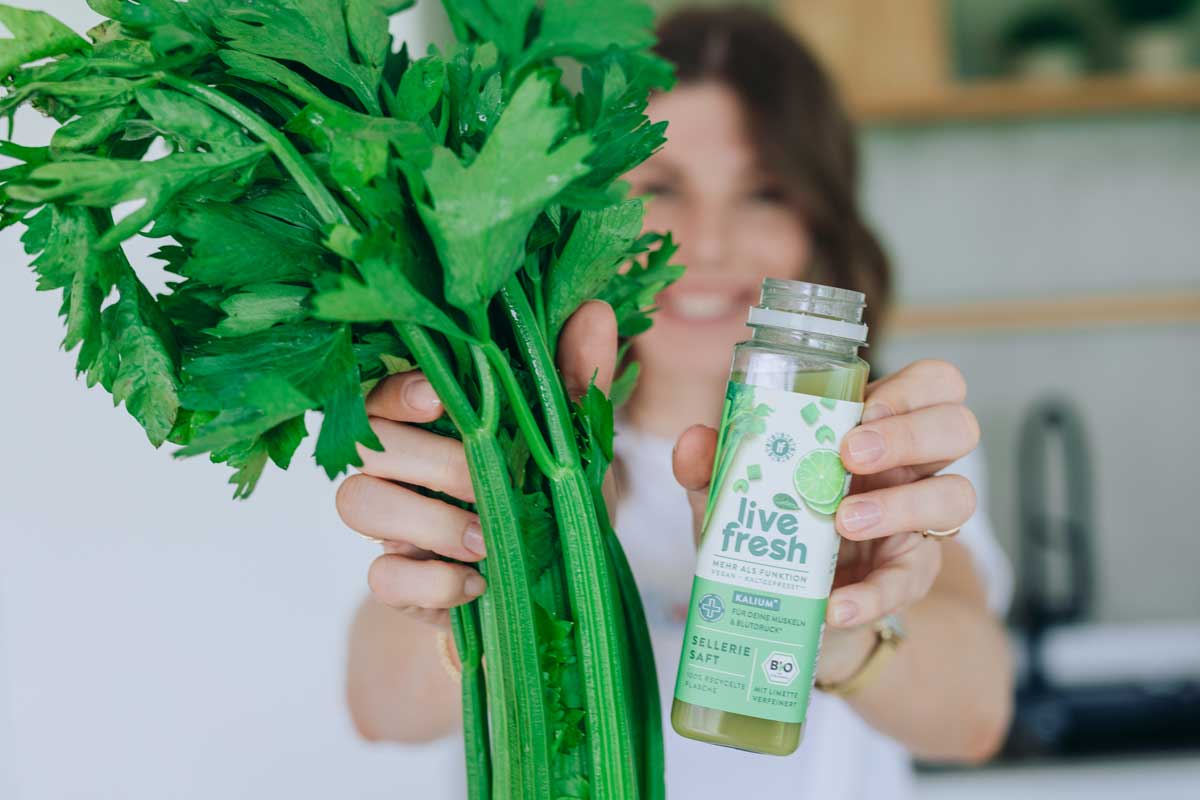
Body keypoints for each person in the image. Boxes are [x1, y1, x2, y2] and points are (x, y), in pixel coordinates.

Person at [337, 7, 1014, 798]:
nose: (713, 243)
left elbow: (976, 715)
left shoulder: (877, 447)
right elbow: (380, 707)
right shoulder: (500, 434)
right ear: (580, 211)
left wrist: (840, 626)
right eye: (661, 187)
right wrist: (511, 562)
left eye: (763, 193)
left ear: (818, 219)